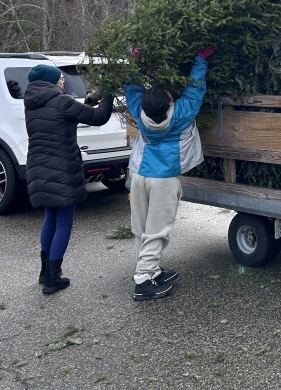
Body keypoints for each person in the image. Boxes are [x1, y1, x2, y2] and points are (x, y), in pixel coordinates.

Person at [125, 47, 213, 301]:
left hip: (141, 175)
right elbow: (196, 88)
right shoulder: (181, 115)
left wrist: (135, 61)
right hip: (163, 178)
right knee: (157, 230)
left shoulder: (140, 114)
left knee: (141, 227)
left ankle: (149, 270)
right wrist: (200, 59)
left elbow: (132, 87)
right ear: (170, 104)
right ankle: (143, 281)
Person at [24, 64, 114, 295]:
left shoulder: (33, 102)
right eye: (61, 79)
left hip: (38, 166)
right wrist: (108, 93)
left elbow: (69, 115)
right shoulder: (61, 101)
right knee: (64, 221)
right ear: (52, 81)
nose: (63, 81)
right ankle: (54, 279)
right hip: (61, 168)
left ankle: (45, 272)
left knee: (50, 218)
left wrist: (88, 102)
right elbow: (100, 117)